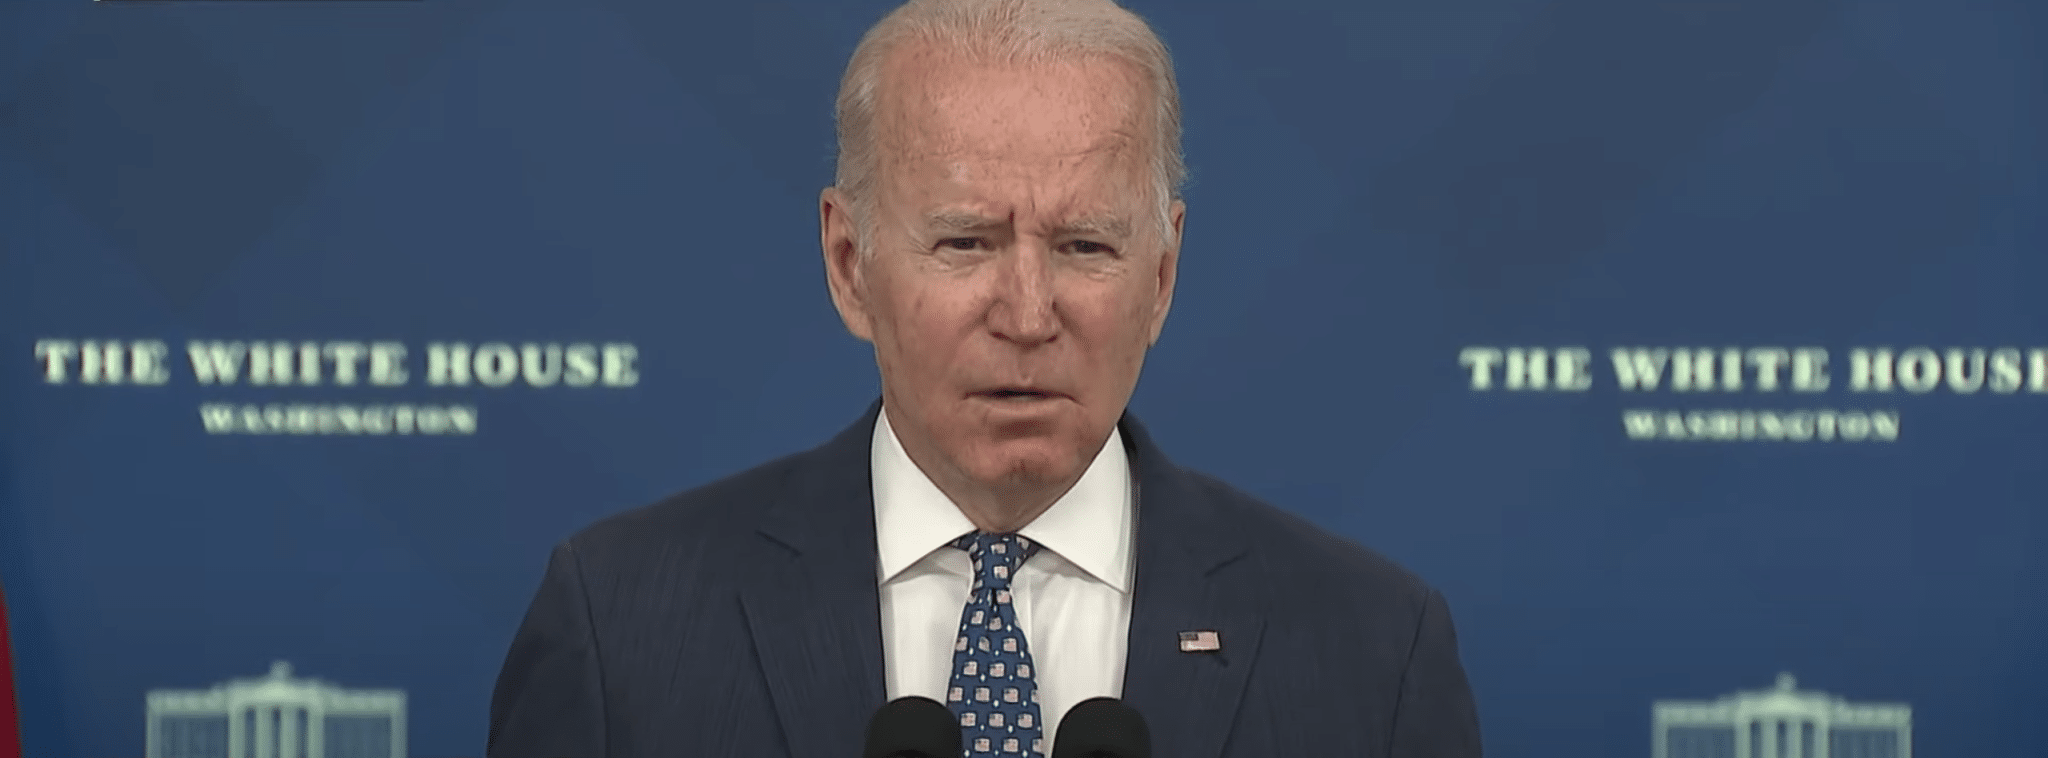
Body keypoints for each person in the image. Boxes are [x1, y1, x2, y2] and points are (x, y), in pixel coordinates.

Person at [486, 0, 1483, 756]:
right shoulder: (622, 626)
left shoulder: (1371, 651)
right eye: (965, 241)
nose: (1027, 312)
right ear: (849, 263)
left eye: (1085, 245)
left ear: (1161, 277)